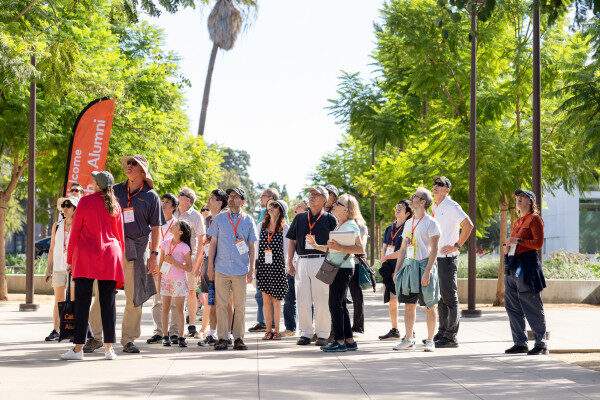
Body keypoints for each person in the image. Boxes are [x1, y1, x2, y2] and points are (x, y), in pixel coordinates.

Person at [85, 155, 164, 354]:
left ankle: (128, 339)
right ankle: (96, 338)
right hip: (112, 248)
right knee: (102, 294)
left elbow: (156, 228)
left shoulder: (151, 196)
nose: (129, 166)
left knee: (134, 298)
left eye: (133, 164)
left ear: (143, 171)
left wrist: (154, 254)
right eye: (128, 163)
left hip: (137, 249)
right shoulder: (116, 190)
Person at [60, 171, 124, 361]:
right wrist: (119, 261)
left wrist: (70, 259)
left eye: (94, 180)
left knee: (82, 303)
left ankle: (78, 349)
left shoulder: (86, 202)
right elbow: (120, 236)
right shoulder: (115, 205)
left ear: (97, 184)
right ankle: (109, 349)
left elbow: (75, 231)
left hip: (86, 255)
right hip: (110, 255)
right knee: (108, 303)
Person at [307, 194, 363, 352]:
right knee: (340, 304)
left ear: (347, 209)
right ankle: (349, 341)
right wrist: (317, 246)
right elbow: (333, 248)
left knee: (335, 304)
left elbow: (360, 249)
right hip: (339, 267)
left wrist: (339, 247)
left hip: (342, 268)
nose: (334, 205)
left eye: (338, 203)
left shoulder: (351, 225)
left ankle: (339, 341)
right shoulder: (341, 224)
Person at [207, 187, 257, 350]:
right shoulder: (220, 218)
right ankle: (222, 338)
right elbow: (212, 244)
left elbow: (252, 247)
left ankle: (239, 338)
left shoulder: (248, 220)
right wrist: (210, 266)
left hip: (241, 270)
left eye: (235, 196)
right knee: (221, 305)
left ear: (243, 202)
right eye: (230, 196)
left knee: (239, 306)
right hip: (221, 269)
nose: (231, 199)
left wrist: (251, 269)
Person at [287, 186, 337, 347]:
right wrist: (289, 261)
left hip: (321, 260)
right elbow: (292, 241)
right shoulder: (300, 218)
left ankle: (322, 334)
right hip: (302, 260)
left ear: (325, 199)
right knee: (302, 299)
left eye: (316, 194)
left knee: (321, 299)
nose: (312, 197)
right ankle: (305, 333)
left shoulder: (330, 219)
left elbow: (335, 244)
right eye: (310, 194)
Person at [393, 187, 441, 352]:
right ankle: (408, 339)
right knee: (408, 304)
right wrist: (397, 270)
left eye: (415, 196)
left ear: (422, 202)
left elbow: (434, 250)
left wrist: (427, 272)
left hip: (425, 265)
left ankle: (430, 340)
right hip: (410, 267)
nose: (411, 198)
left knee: (430, 305)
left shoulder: (431, 223)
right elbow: (403, 248)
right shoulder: (409, 223)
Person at [503, 189, 548, 355]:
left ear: (530, 201)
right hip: (512, 265)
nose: (519, 199)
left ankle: (541, 343)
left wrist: (518, 240)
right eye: (518, 196)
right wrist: (507, 249)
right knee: (512, 306)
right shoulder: (517, 222)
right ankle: (520, 343)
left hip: (527, 266)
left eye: (523, 196)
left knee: (532, 305)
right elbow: (513, 243)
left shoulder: (534, 219)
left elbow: (538, 243)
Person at [431, 176, 473, 348]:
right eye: (434, 183)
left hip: (448, 260)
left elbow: (468, 225)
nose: (435, 186)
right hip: (436, 259)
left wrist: (456, 245)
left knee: (450, 297)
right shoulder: (434, 206)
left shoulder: (452, 206)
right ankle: (442, 332)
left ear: (447, 190)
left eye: (440, 184)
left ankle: (451, 336)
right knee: (440, 298)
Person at [197, 189, 235, 346]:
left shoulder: (228, 218)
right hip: (209, 264)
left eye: (212, 198)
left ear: (220, 203)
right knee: (211, 300)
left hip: (224, 265)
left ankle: (228, 334)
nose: (208, 199)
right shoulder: (208, 219)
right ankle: (212, 334)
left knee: (227, 301)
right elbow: (206, 243)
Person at [44, 195, 79, 341]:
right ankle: (56, 330)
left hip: (74, 268)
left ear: (74, 208)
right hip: (58, 267)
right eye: (63, 206)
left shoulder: (79, 225)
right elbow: (52, 248)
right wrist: (48, 269)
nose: (65, 209)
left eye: (68, 206)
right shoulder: (57, 225)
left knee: (74, 299)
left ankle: (74, 330)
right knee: (58, 299)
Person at [147, 193, 179, 345]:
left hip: (173, 268)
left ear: (174, 207)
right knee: (157, 302)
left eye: (167, 202)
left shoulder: (178, 224)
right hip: (157, 268)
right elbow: (150, 245)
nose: (163, 204)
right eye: (162, 201)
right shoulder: (154, 223)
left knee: (174, 303)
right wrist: (153, 264)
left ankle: (174, 332)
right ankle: (159, 332)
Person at [256, 199, 290, 340]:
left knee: (276, 300)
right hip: (264, 266)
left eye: (275, 206)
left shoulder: (285, 228)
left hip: (278, 267)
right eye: (270, 205)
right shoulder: (261, 226)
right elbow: (257, 248)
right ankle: (268, 330)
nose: (271, 207)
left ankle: (277, 331)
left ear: (281, 211)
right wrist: (256, 268)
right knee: (265, 300)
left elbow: (287, 250)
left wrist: (288, 266)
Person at [378, 200, 412, 340]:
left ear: (408, 213)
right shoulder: (389, 228)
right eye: (397, 206)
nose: (398, 209)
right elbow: (384, 247)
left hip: (403, 268)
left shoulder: (408, 228)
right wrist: (383, 259)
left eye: (401, 207)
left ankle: (410, 331)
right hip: (389, 268)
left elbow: (404, 251)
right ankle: (394, 329)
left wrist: (387, 257)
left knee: (407, 302)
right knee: (392, 300)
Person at [175, 187, 206, 339]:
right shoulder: (172, 212)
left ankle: (192, 325)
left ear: (188, 200)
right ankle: (174, 327)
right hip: (171, 259)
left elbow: (201, 239)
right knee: (173, 293)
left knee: (191, 292)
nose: (177, 195)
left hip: (189, 260)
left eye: (180, 194)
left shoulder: (196, 216)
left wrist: (197, 261)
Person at [250, 187, 280, 333]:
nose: (260, 198)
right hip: (262, 260)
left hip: (275, 262)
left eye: (263, 196)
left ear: (271, 198)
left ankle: (270, 323)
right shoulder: (262, 213)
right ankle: (264, 322)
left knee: (272, 296)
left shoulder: (280, 212)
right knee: (260, 294)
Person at [159, 220, 194, 348]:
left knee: (180, 309)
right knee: (165, 308)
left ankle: (181, 336)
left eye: (175, 226)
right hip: (166, 279)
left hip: (179, 280)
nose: (172, 226)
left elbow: (189, 268)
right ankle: (165, 336)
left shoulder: (185, 247)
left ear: (180, 232)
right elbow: (161, 263)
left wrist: (173, 261)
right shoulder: (165, 243)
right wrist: (159, 280)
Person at [281, 200, 309, 337]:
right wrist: (289, 263)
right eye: (296, 206)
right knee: (289, 298)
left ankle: (309, 329)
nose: (295, 208)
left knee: (307, 300)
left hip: (306, 265)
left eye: (300, 207)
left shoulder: (311, 225)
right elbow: (291, 244)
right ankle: (290, 328)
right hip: (293, 265)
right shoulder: (293, 224)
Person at [348, 204, 368, 334]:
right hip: (342, 264)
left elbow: (361, 246)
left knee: (357, 296)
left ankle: (358, 326)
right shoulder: (343, 224)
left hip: (355, 264)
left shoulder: (362, 227)